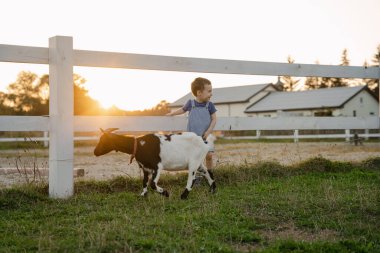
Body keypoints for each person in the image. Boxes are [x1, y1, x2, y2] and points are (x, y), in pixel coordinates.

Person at [166, 77, 217, 171]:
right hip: (193, 138)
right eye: (209, 91)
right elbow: (182, 109)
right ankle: (196, 177)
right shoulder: (190, 103)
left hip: (206, 136)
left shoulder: (210, 105)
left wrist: (209, 131)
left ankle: (210, 174)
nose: (211, 94)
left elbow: (214, 119)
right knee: (196, 158)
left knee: (209, 155)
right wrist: (172, 113)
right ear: (199, 92)